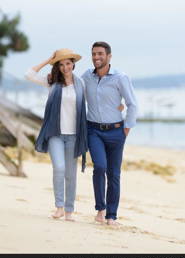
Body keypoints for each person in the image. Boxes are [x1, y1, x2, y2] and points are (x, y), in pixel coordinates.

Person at [25, 48, 88, 222]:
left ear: (73, 65)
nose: (65, 67)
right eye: (61, 64)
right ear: (58, 67)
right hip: (55, 134)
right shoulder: (52, 82)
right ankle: (59, 207)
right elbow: (29, 74)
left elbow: (95, 101)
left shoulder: (81, 83)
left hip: (74, 135)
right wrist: (48, 60)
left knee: (71, 174)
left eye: (68, 63)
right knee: (59, 168)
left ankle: (69, 211)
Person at [81, 41, 138, 226]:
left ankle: (111, 215)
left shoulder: (120, 77)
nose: (96, 57)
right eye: (94, 54)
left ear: (109, 56)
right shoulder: (86, 77)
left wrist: (126, 129)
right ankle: (100, 208)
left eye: (100, 54)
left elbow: (132, 104)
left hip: (116, 132)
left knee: (114, 174)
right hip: (94, 130)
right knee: (99, 167)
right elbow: (72, 89)